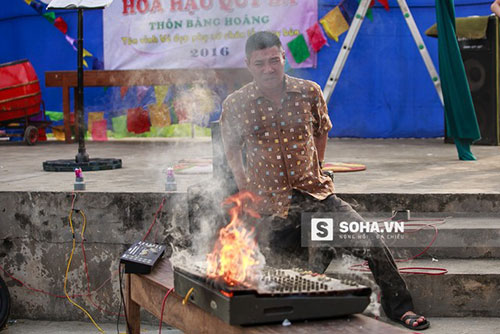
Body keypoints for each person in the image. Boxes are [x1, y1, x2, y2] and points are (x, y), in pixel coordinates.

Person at [219, 31, 429, 331]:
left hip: (315, 195)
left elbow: (322, 129)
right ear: (248, 64)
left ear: (284, 58)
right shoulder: (236, 103)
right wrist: (245, 189)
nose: (269, 69)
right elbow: (230, 148)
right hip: (270, 205)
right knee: (281, 280)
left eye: (274, 61)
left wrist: (317, 166)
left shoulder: (309, 91)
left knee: (370, 242)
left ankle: (400, 308)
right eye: (260, 63)